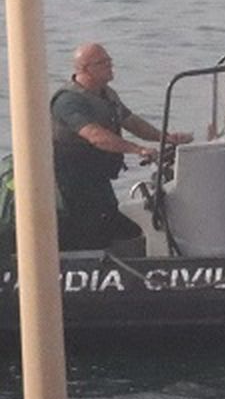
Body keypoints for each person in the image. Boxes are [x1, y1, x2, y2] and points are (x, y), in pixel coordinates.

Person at [50, 43, 192, 251]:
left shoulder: (106, 94)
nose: (110, 66)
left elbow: (131, 121)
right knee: (90, 232)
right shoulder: (68, 101)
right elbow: (95, 136)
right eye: (103, 63)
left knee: (120, 226)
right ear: (85, 69)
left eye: (109, 61)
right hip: (71, 184)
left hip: (98, 179)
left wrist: (165, 138)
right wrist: (137, 150)